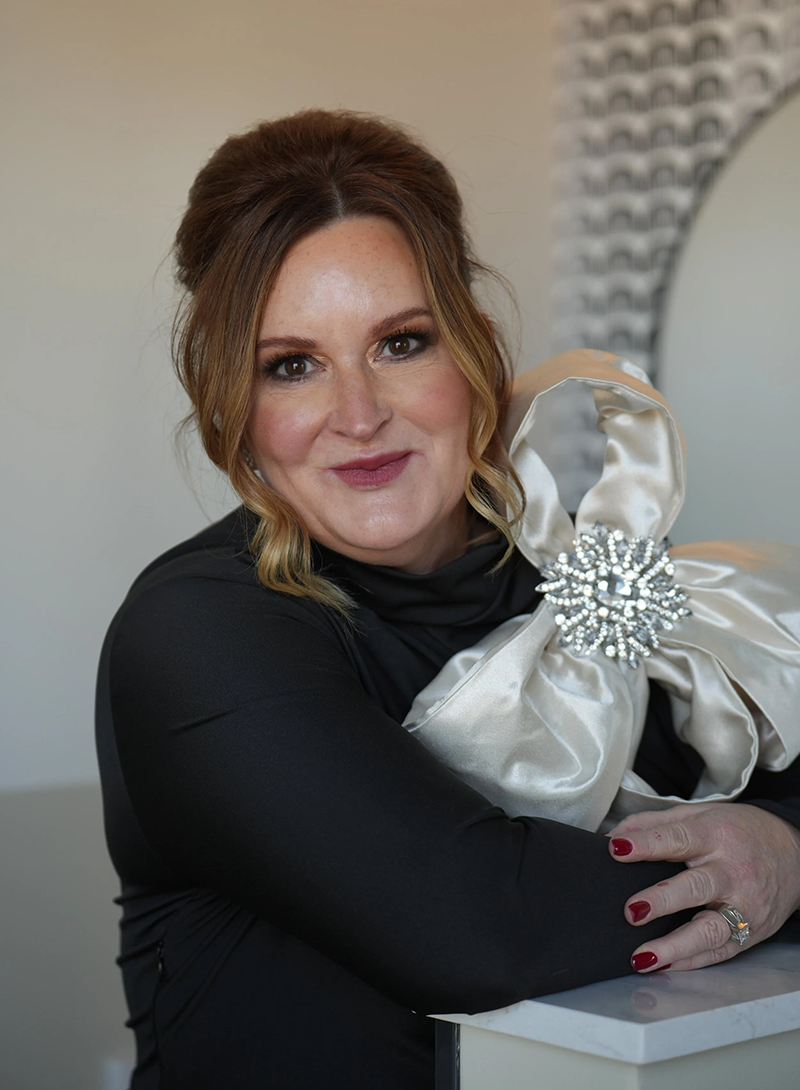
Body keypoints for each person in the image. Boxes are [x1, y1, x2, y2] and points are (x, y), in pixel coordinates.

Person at [96, 109, 800, 1090]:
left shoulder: (592, 579)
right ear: (235, 406)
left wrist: (784, 842)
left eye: (399, 342)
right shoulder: (195, 632)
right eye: (290, 364)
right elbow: (475, 923)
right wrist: (763, 854)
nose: (357, 414)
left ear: (468, 346)